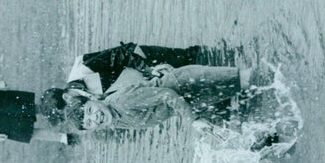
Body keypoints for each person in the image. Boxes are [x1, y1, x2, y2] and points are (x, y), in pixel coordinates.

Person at [55, 64, 253, 134]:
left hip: (186, 83)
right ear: (92, 129)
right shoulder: (114, 121)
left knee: (247, 78)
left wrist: (192, 120)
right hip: (189, 99)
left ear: (93, 100)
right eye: (89, 123)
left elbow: (167, 94)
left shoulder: (122, 103)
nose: (94, 118)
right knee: (244, 92)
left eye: (90, 111)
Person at [40, 42, 211, 118]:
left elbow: (122, 54)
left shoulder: (84, 69)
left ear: (66, 97)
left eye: (69, 108)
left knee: (196, 57)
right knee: (198, 90)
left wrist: (150, 69)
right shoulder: (88, 107)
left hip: (143, 59)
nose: (75, 112)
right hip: (148, 82)